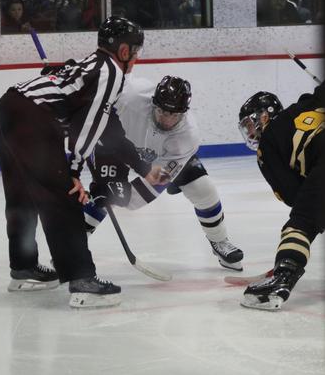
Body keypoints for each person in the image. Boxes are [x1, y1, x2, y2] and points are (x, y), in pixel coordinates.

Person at [0, 16, 165, 308]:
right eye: (135, 52)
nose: (136, 59)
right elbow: (89, 127)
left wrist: (143, 168)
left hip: (8, 108)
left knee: (21, 196)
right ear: (124, 51)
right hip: (32, 119)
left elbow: (109, 129)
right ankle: (82, 280)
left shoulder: (88, 65)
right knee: (64, 199)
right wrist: (74, 170)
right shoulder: (112, 72)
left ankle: (24, 267)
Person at [83, 76, 244, 271]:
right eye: (162, 112)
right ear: (153, 103)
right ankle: (73, 246)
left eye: (174, 115)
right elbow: (95, 104)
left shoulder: (187, 137)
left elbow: (154, 185)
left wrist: (125, 198)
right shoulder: (130, 95)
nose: (167, 120)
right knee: (104, 194)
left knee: (203, 188)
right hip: (116, 148)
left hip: (160, 160)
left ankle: (220, 241)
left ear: (184, 112)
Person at [237, 86, 325, 310]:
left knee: (302, 223)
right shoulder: (308, 103)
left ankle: (282, 279)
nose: (250, 132)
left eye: (250, 124)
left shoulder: (267, 144)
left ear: (264, 116)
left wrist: (315, 215)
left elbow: (294, 195)